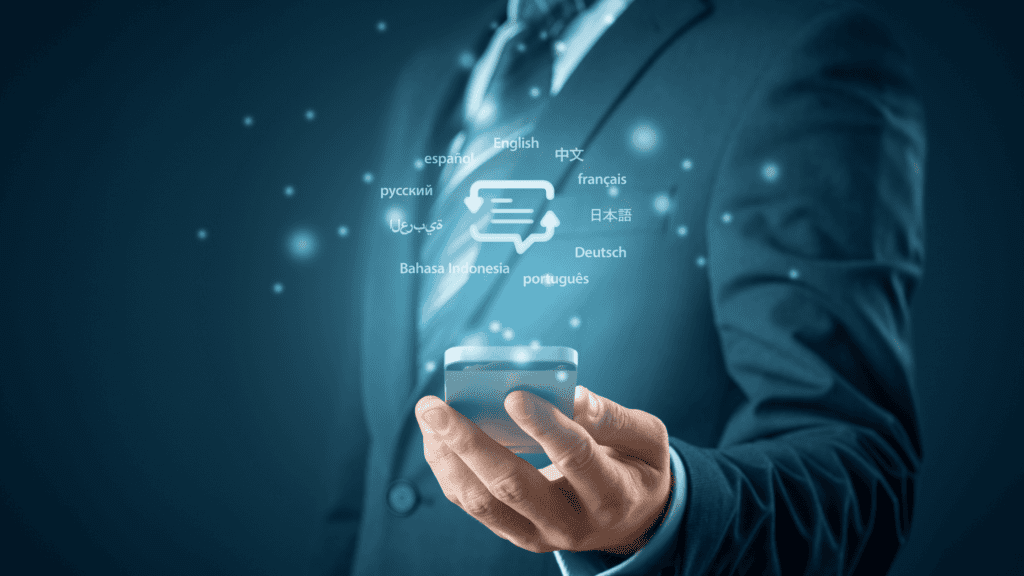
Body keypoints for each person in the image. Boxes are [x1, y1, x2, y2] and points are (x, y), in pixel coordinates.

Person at [316, 0, 926, 573]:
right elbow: (372, 458)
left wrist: (662, 520)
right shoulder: (429, 77)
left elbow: (857, 464)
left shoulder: (795, 49)